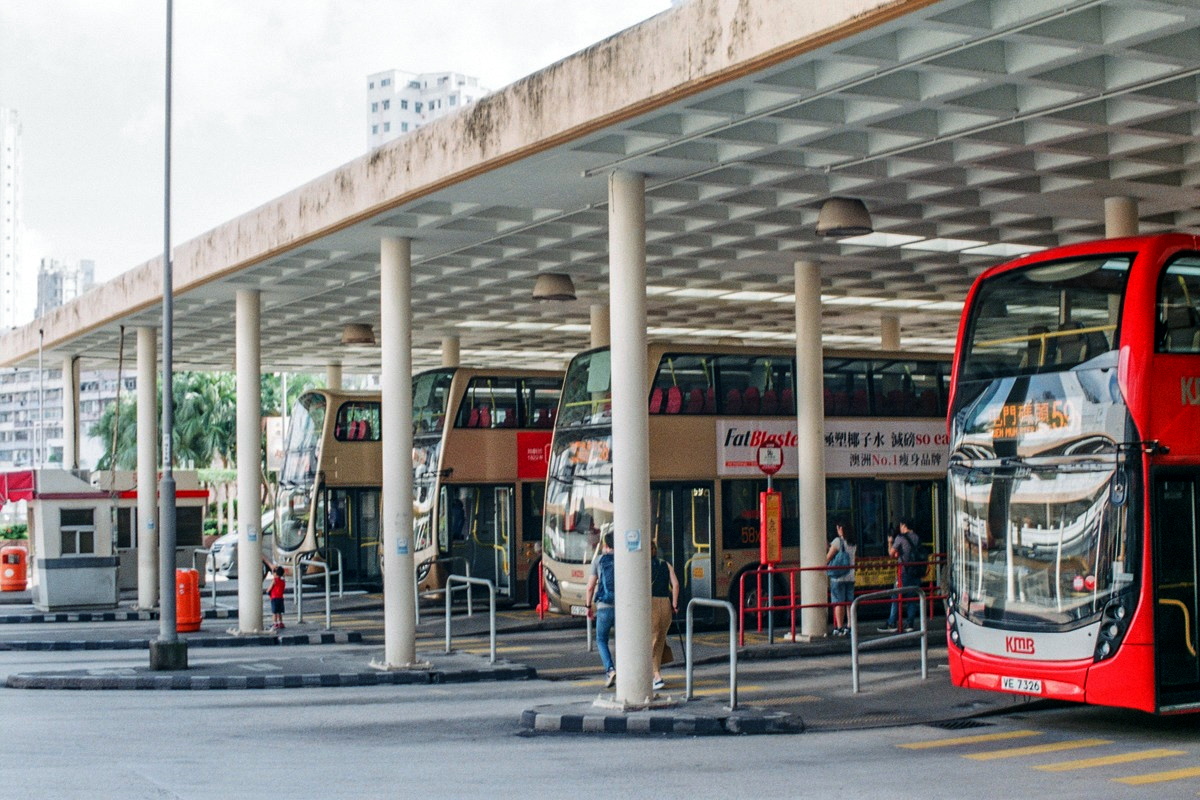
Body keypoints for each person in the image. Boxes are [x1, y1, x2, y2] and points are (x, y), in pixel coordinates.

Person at [585, 530, 616, 687]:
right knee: (623, 640)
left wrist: (588, 606)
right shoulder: (625, 559)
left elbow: (590, 587)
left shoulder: (598, 560)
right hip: (623, 608)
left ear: (605, 545)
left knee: (601, 640)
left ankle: (610, 670)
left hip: (604, 606)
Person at [649, 542, 680, 690]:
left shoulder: (643, 566)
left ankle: (656, 676)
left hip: (651, 604)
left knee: (651, 642)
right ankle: (655, 674)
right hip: (666, 604)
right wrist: (674, 604)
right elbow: (676, 584)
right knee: (660, 640)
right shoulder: (666, 564)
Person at [881, 520, 921, 632]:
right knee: (912, 598)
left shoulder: (900, 538)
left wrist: (890, 542)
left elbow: (891, 553)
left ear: (904, 525)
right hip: (915, 571)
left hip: (903, 572)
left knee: (895, 597)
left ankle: (892, 622)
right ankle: (910, 624)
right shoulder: (916, 537)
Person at [825, 521, 856, 636]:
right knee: (849, 603)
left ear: (840, 528)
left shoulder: (838, 541)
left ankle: (839, 627)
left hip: (838, 578)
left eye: (838, 527)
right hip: (850, 576)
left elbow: (827, 558)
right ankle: (850, 626)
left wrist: (828, 549)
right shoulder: (853, 542)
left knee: (839, 602)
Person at [268, 565, 287, 631]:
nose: (273, 573)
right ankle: (280, 623)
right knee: (279, 612)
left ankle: (275, 623)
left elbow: (269, 589)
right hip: (280, 598)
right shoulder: (283, 582)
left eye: (273, 572)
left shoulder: (274, 581)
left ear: (276, 573)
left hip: (274, 598)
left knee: (274, 612)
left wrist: (268, 592)